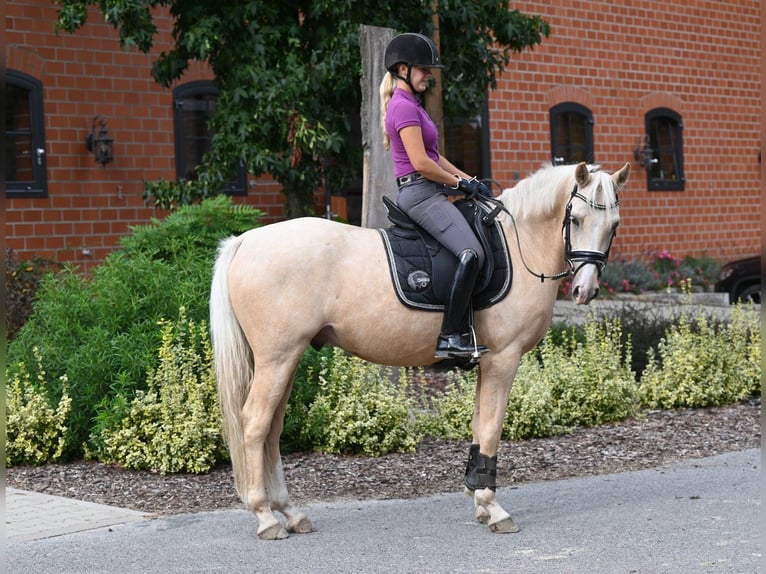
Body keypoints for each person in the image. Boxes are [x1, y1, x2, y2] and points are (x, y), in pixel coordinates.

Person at [380, 32, 491, 361]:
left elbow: (436, 156)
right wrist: (458, 185)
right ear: (403, 69)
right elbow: (421, 163)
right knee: (471, 253)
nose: (429, 74)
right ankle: (450, 337)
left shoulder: (413, 105)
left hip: (430, 188)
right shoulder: (402, 108)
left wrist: (468, 179)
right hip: (419, 194)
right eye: (424, 69)